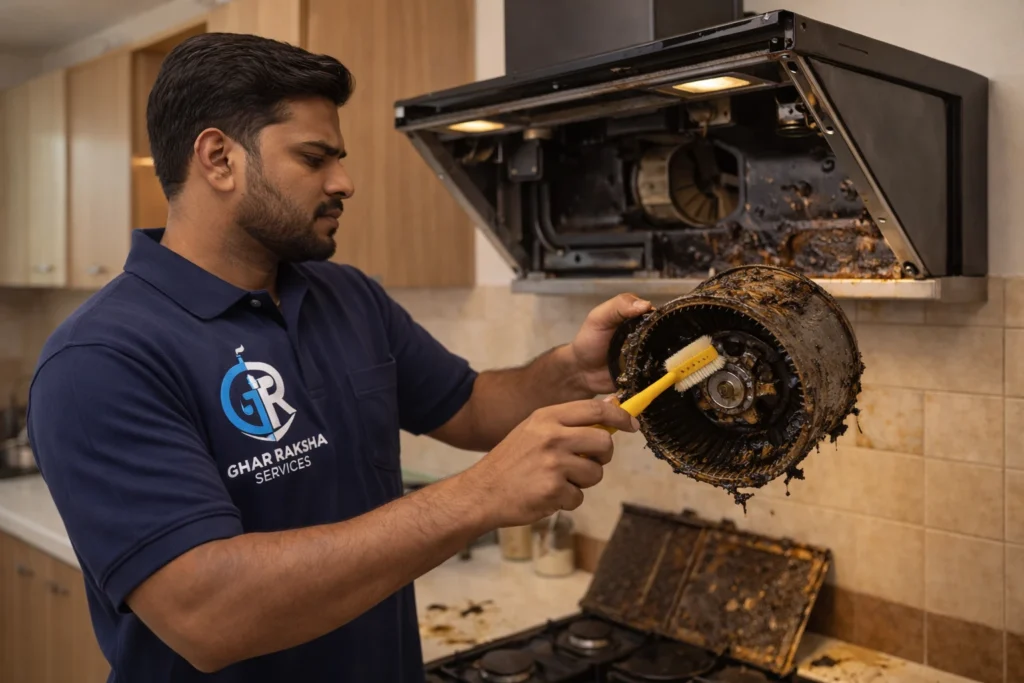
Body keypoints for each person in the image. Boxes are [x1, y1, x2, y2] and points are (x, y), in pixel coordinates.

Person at [26, 32, 652, 682]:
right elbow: (207, 615)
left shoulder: (345, 296)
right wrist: (479, 495)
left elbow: (469, 406)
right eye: (314, 157)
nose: (344, 183)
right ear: (218, 158)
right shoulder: (97, 360)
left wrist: (572, 370)